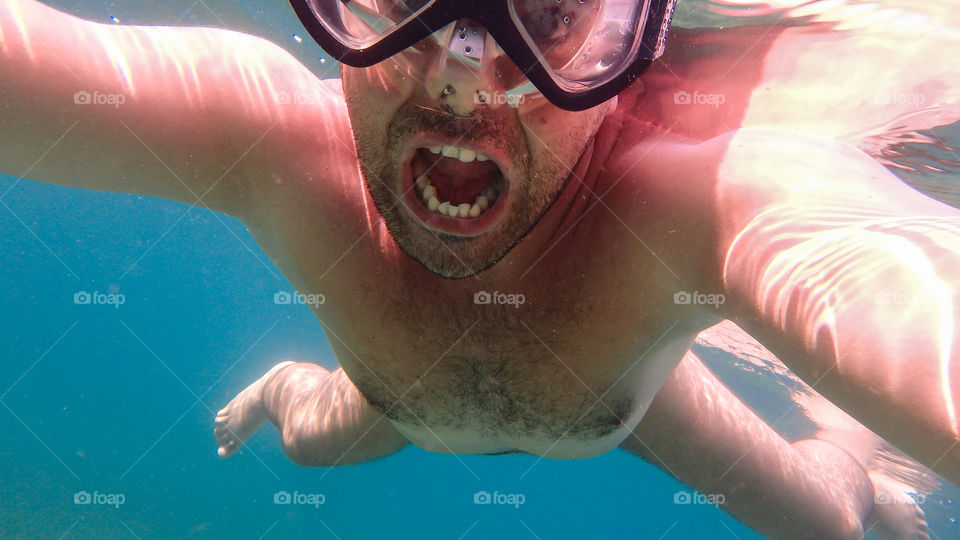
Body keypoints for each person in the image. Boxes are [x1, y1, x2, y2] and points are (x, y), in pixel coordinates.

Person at [2, 0, 957, 538]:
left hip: (629, 408)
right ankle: (279, 389)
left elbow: (877, 262)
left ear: (628, 46)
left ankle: (862, 460)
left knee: (830, 523)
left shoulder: (698, 195)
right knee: (301, 438)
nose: (459, 79)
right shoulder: (269, 137)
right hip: (388, 396)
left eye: (545, 13)